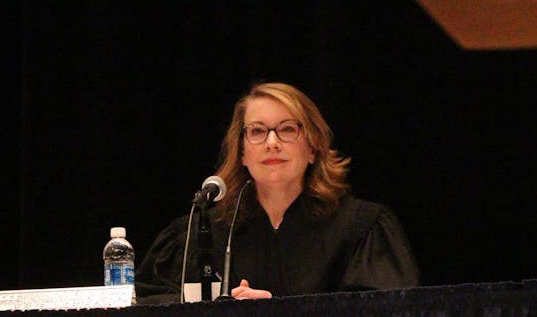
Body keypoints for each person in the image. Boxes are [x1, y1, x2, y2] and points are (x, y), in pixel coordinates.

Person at [135, 81, 419, 302]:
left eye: (287, 129)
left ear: (312, 147)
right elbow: (150, 315)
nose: (272, 143)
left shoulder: (360, 229)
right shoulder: (200, 235)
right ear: (242, 153)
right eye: (257, 131)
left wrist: (278, 312)